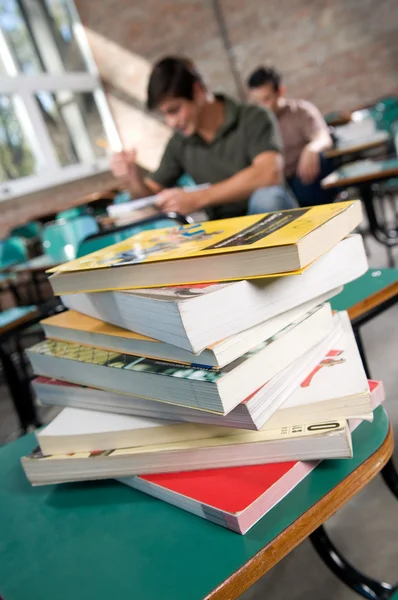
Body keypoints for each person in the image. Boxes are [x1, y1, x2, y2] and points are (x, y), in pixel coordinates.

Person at [111, 57, 296, 220]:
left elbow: (268, 174)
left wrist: (198, 198)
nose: (171, 122)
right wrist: (131, 178)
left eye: (174, 110)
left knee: (267, 198)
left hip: (275, 219)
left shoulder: (253, 117)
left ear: (198, 91)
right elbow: (150, 195)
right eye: (164, 115)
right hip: (226, 231)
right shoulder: (180, 142)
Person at [247, 66, 334, 207]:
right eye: (258, 102)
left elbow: (324, 137)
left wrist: (311, 148)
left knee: (313, 173)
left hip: (304, 177)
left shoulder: (301, 111)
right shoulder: (254, 125)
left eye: (266, 99)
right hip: (275, 183)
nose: (263, 106)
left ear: (280, 91)